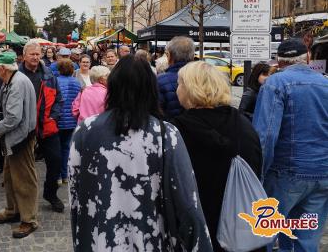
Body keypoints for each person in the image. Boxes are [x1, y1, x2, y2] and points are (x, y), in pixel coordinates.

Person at [68, 55, 211, 251]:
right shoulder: (166, 134)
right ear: (150, 89)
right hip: (151, 238)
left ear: (113, 86)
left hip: (99, 239)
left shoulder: (85, 130)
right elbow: (187, 201)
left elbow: (75, 194)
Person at [169, 61, 262, 251]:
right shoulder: (243, 124)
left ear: (190, 89)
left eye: (179, 84)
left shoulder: (177, 130)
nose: (176, 89)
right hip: (238, 225)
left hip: (199, 227)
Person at [253, 39, 328, 251]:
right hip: (321, 173)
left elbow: (265, 136)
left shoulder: (275, 84)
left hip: (285, 173)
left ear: (279, 61)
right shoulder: (325, 83)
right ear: (308, 58)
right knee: (307, 240)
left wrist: (259, 174)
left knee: (266, 235)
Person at [0, 51, 39, 239]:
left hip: (21, 138)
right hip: (13, 137)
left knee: (25, 179)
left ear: (3, 68)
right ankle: (13, 210)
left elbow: (13, 118)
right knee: (10, 177)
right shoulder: (9, 81)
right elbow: (5, 112)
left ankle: (29, 219)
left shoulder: (17, 83)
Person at [19, 41, 65, 213]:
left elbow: (59, 99)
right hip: (24, 128)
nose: (36, 57)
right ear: (24, 56)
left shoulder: (48, 74)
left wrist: (53, 117)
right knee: (24, 166)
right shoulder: (17, 75)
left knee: (56, 161)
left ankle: (50, 193)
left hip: (47, 126)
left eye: (38, 54)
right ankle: (23, 201)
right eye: (32, 54)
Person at [56, 59, 81, 184]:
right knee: (66, 148)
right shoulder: (76, 83)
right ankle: (65, 175)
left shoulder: (55, 81)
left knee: (57, 148)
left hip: (58, 120)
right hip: (71, 120)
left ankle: (58, 176)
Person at [157, 36, 195, 119]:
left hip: (169, 129)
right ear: (192, 56)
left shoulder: (159, 81)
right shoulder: (205, 78)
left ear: (169, 55)